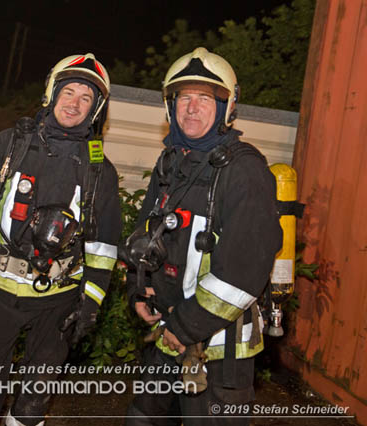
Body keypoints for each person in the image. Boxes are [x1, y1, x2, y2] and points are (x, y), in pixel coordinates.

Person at [0, 53, 122, 426]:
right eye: (69, 92)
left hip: (58, 302)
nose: (74, 103)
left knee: (32, 403)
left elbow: (103, 247)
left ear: (96, 110)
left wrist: (90, 304)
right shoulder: (8, 147)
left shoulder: (100, 171)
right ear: (52, 93)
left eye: (86, 99)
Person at [122, 47, 283, 426]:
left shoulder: (244, 172)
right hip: (167, 338)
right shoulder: (172, 163)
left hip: (218, 353)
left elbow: (242, 272)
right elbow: (145, 234)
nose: (192, 107)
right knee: (142, 418)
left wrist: (184, 328)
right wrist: (137, 286)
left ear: (227, 108)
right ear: (170, 106)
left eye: (205, 98)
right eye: (184, 97)